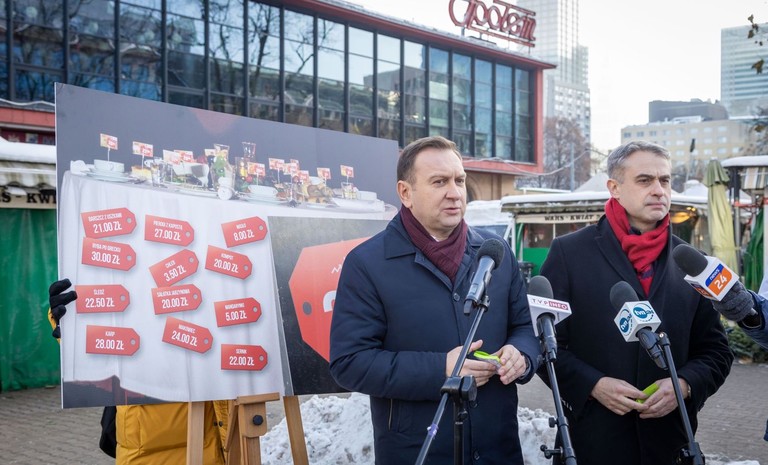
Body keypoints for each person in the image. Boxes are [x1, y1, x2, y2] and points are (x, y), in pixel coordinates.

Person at [329, 135, 540, 464]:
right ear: (405, 193)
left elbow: (526, 328)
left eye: (459, 180)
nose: (454, 193)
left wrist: (521, 355)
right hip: (418, 450)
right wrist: (440, 368)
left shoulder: (496, 254)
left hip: (497, 448)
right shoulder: (367, 264)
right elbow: (350, 363)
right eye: (439, 182)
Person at [538, 140, 734, 465]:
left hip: (669, 444)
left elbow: (716, 351)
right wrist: (593, 385)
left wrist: (684, 384)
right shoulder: (569, 253)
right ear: (614, 188)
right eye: (645, 180)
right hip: (594, 444)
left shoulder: (692, 262)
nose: (659, 190)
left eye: (665, 180)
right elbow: (543, 344)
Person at [48, 278, 228, 465]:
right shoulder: (128, 280)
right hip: (154, 447)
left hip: (234, 440)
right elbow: (100, 349)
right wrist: (73, 325)